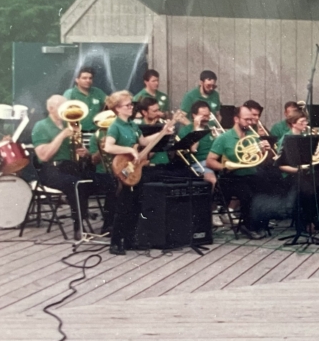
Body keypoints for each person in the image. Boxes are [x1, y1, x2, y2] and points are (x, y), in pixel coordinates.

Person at [102, 90, 173, 255]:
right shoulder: (115, 126)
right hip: (123, 167)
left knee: (136, 204)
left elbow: (143, 141)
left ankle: (129, 240)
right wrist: (128, 149)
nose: (131, 107)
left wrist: (163, 132)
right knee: (123, 206)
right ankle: (115, 242)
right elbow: (108, 146)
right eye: (127, 105)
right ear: (118, 109)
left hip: (135, 169)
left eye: (131, 104)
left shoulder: (132, 125)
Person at [32, 94, 111, 237]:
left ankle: (109, 225)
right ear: (50, 108)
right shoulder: (41, 126)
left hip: (71, 167)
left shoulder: (69, 125)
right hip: (51, 169)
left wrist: (85, 153)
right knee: (76, 184)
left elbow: (78, 152)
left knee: (107, 180)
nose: (66, 111)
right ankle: (78, 227)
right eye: (62, 107)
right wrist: (62, 135)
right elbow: (44, 156)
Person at [206, 105, 273, 239]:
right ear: (236, 119)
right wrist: (224, 167)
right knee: (248, 194)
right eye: (246, 119)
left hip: (250, 174)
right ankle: (248, 226)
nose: (250, 122)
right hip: (231, 177)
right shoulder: (224, 138)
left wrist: (266, 151)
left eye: (251, 120)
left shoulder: (252, 137)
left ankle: (258, 223)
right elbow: (210, 161)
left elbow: (261, 161)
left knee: (267, 187)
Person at [175, 100, 219, 189]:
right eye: (203, 116)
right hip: (200, 163)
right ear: (194, 115)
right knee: (214, 181)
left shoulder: (211, 129)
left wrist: (219, 138)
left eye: (208, 115)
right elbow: (193, 149)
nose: (206, 118)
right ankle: (212, 203)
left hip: (216, 161)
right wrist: (196, 128)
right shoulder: (186, 130)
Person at [63, 67, 107, 132]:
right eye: (84, 78)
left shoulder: (98, 92)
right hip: (76, 133)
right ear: (77, 80)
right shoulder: (69, 93)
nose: (88, 80)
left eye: (90, 78)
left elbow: (110, 104)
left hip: (96, 133)